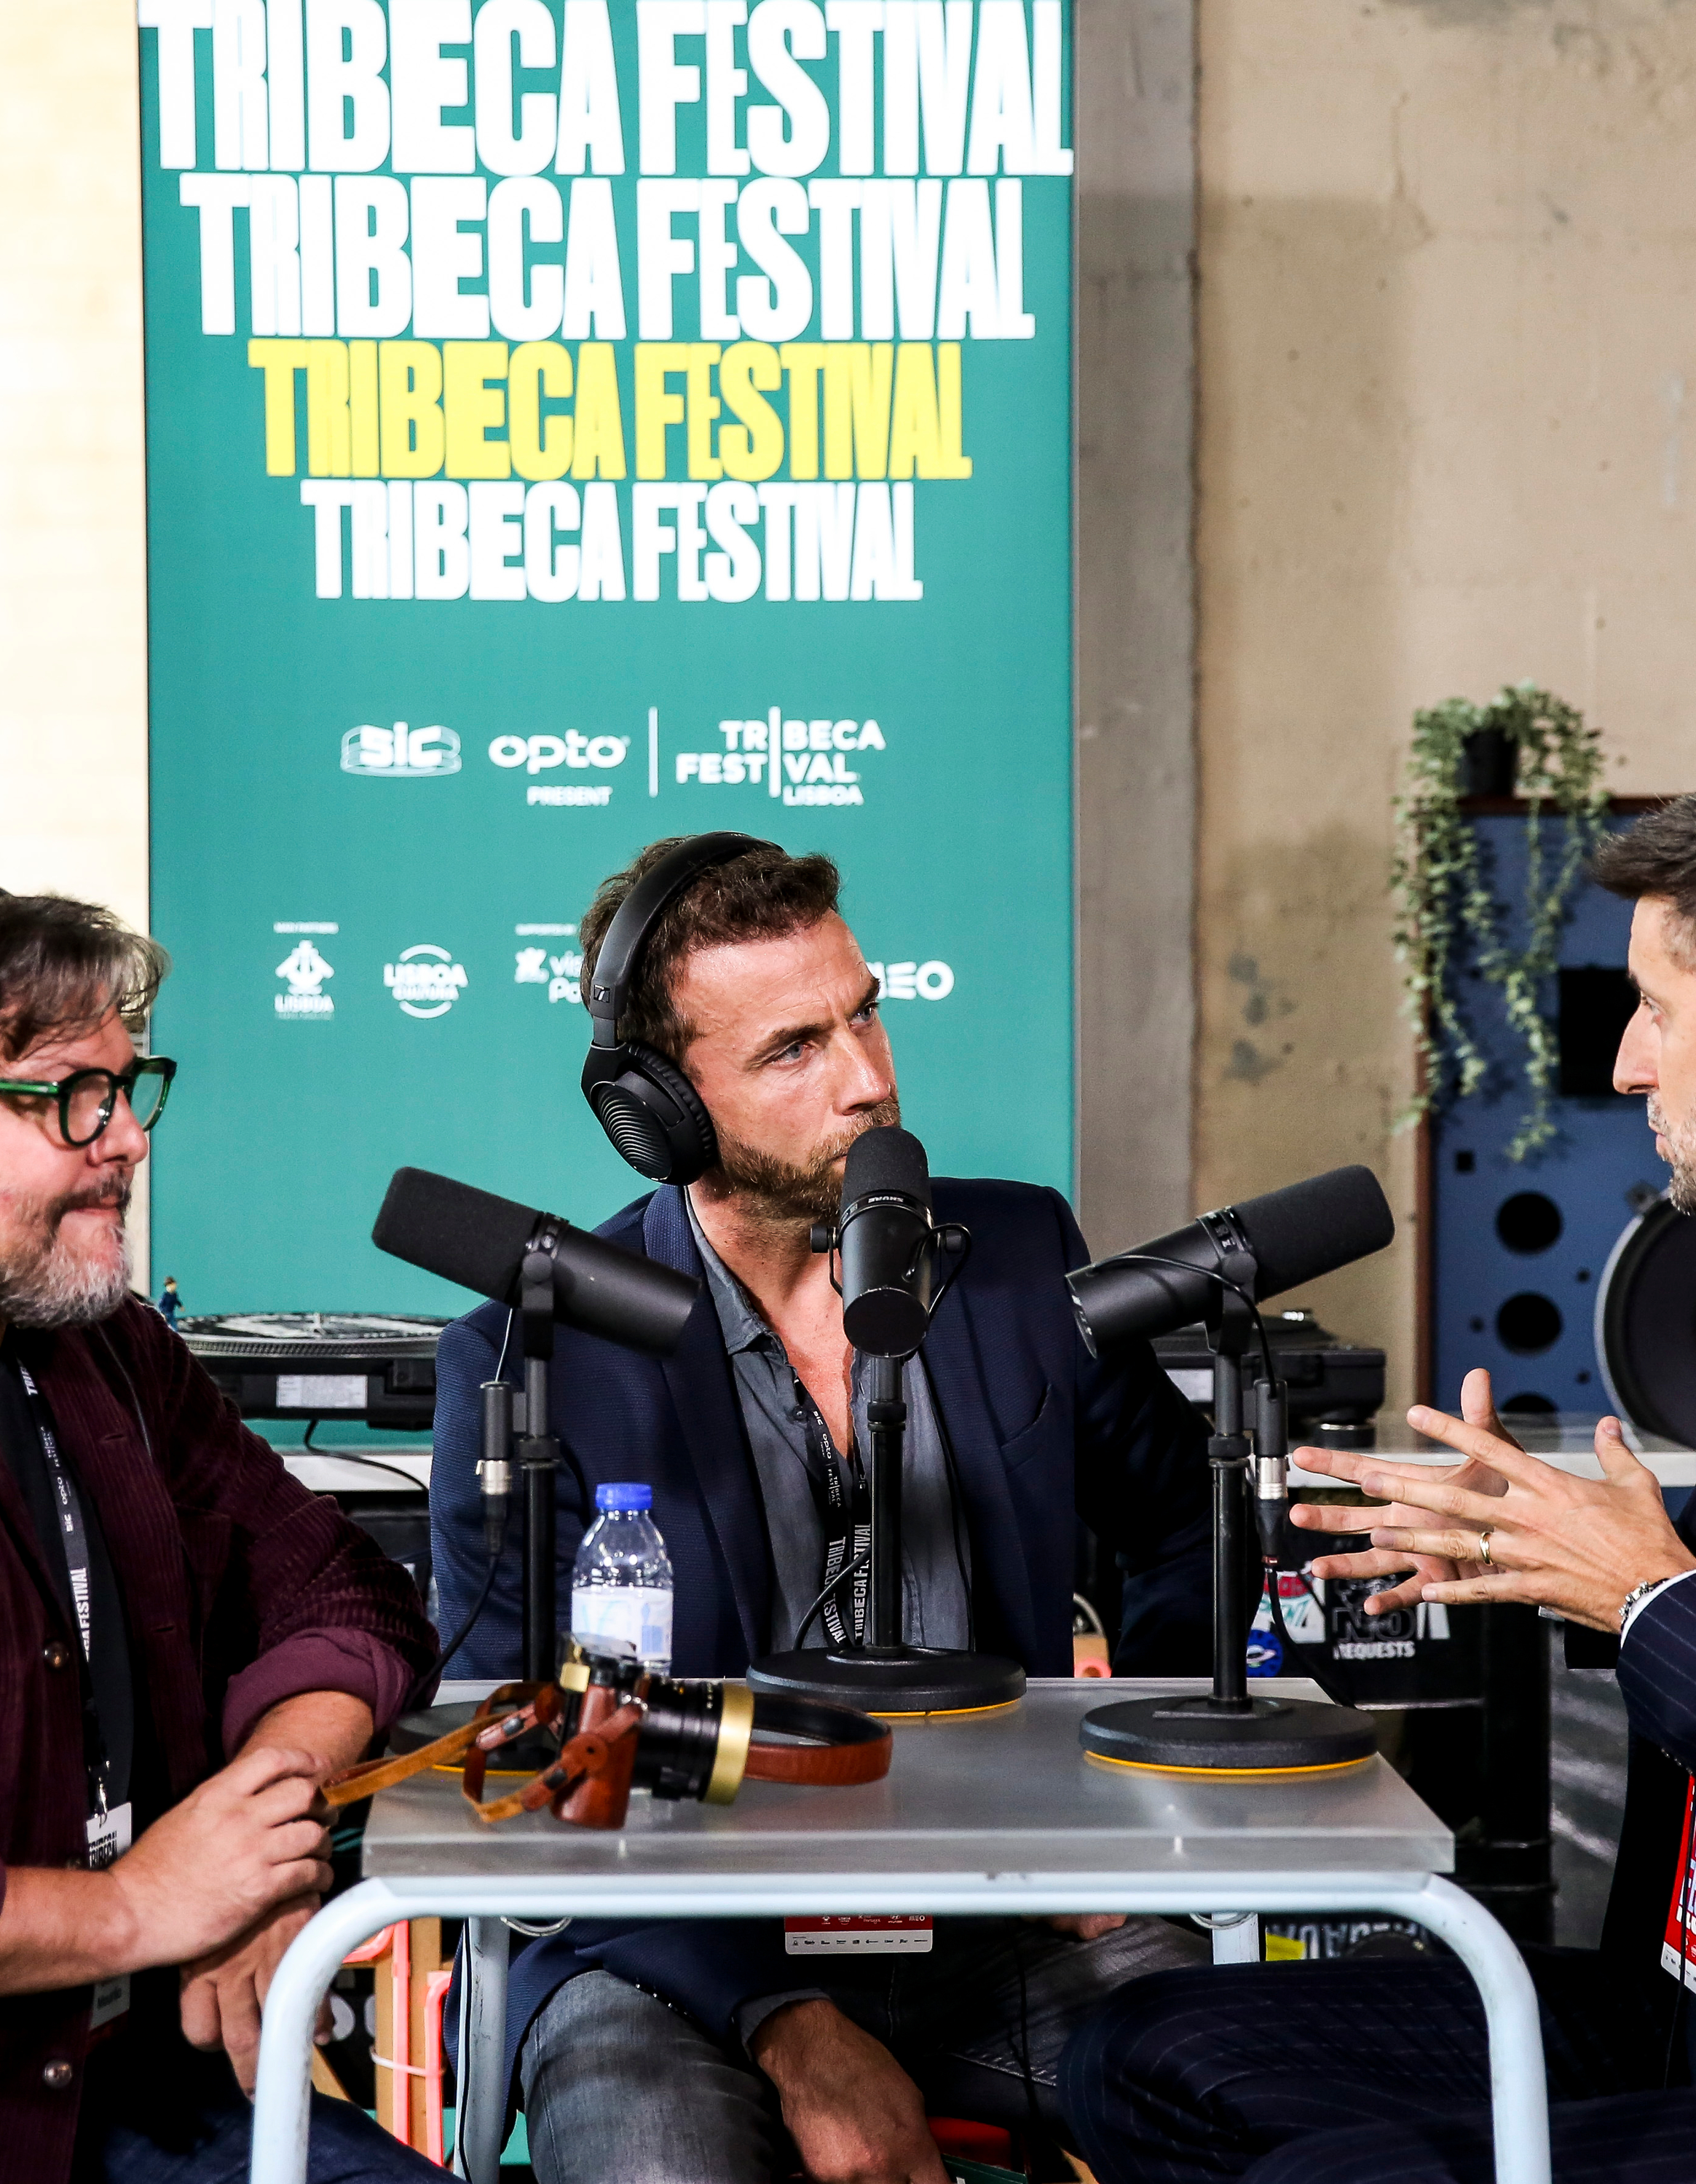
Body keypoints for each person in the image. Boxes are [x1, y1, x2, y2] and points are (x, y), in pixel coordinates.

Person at [1059, 763, 1696, 2184]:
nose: (1625, 1066)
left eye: (1655, 1010)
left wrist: (1655, 1600)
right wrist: (1547, 1572)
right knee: (1142, 2060)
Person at [430, 836, 1215, 2184]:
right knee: (649, 2160)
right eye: (796, 1049)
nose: (870, 1079)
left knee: (1270, 2099)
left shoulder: (1021, 1254)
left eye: (866, 1012)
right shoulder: (535, 1350)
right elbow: (517, 1752)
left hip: (1003, 1924)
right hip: (670, 1948)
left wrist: (1122, 1818)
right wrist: (788, 2026)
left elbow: (1193, 1523)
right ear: (660, 1112)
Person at [0, 869, 445, 2183]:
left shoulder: (109, 1352)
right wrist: (136, 1907)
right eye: (74, 1095)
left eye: (132, 1089)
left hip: (129, 2087)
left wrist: (257, 1835)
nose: (128, 1136)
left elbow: (345, 1590)